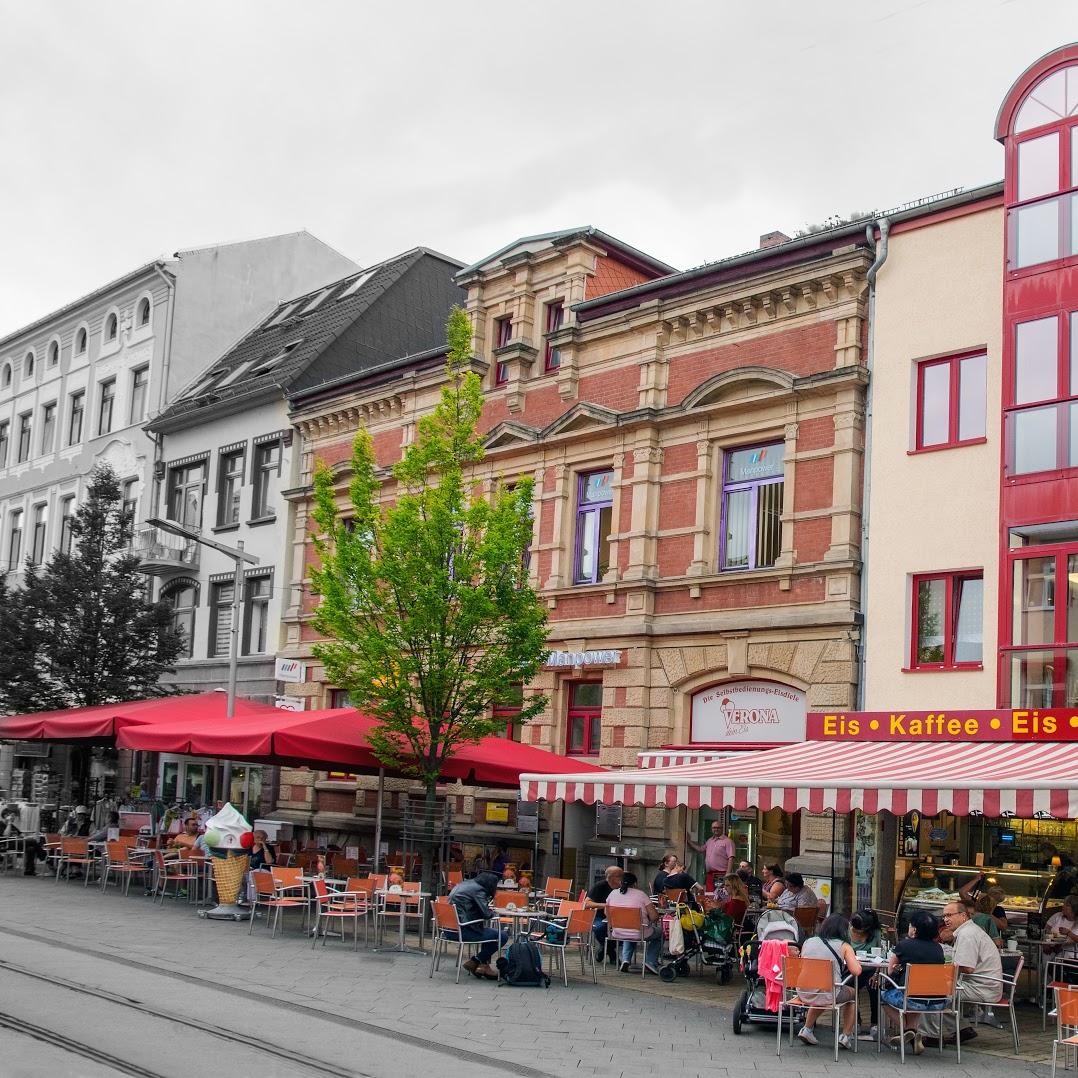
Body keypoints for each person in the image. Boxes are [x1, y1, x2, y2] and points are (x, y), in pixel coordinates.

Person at [922, 900, 1003, 1044]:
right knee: (935, 987)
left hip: (981, 987)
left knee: (928, 990)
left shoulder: (967, 934)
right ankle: (962, 1029)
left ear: (963, 916)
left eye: (949, 915)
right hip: (985, 984)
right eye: (944, 916)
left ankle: (931, 1035)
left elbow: (967, 967)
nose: (946, 919)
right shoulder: (968, 930)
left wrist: (943, 970)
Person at [879, 910, 946, 1055]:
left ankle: (908, 1031)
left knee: (882, 995)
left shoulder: (905, 945)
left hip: (911, 999)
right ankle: (913, 1034)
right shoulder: (938, 949)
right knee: (917, 995)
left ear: (914, 929)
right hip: (937, 1001)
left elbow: (890, 972)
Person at [795, 913, 862, 1051]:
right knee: (852, 995)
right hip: (828, 993)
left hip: (803, 991)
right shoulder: (844, 946)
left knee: (823, 990)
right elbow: (856, 971)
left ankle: (806, 1029)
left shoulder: (808, 941)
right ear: (843, 930)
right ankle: (845, 1036)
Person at [447, 870, 505, 980]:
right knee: (502, 936)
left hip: (449, 930)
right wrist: (494, 912)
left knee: (490, 934)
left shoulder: (465, 884)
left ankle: (482, 967)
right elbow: (486, 914)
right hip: (463, 931)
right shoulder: (479, 890)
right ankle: (476, 961)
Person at [605, 872, 661, 974]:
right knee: (660, 934)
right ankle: (650, 962)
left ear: (621, 882)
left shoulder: (612, 893)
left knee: (629, 931)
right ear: (635, 884)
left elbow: (606, 912)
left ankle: (626, 959)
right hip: (639, 932)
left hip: (617, 932)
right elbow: (654, 916)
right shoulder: (641, 895)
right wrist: (649, 921)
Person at [849, 909, 883, 1038]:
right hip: (852, 968)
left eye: (859, 930)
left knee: (874, 987)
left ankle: (875, 1024)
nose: (856, 931)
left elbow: (882, 955)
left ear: (868, 928)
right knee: (850, 988)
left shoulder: (876, 933)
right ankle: (855, 1021)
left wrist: (877, 974)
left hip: (871, 970)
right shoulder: (847, 930)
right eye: (854, 928)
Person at [584, 864, 624, 964]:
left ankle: (603, 948)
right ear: (610, 877)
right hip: (600, 916)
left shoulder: (624, 887)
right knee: (600, 928)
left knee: (629, 932)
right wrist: (605, 905)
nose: (622, 878)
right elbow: (587, 903)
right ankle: (612, 953)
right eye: (619, 876)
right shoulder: (600, 886)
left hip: (619, 917)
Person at [685, 821, 736, 892]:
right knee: (710, 894)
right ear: (711, 829)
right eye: (714, 828)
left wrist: (728, 874)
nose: (716, 829)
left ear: (722, 829)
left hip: (721, 874)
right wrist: (689, 841)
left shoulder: (728, 841)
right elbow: (700, 849)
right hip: (710, 874)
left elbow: (731, 857)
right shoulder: (710, 840)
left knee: (721, 895)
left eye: (718, 828)